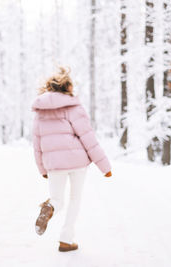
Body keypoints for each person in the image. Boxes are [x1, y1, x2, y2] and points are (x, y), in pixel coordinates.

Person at [32, 67, 112, 252]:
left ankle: (50, 207)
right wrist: (104, 167)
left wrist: (42, 169)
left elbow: (37, 144)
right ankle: (66, 239)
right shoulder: (73, 106)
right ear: (67, 87)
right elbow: (88, 138)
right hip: (77, 162)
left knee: (57, 199)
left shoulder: (39, 111)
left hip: (54, 164)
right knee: (75, 199)